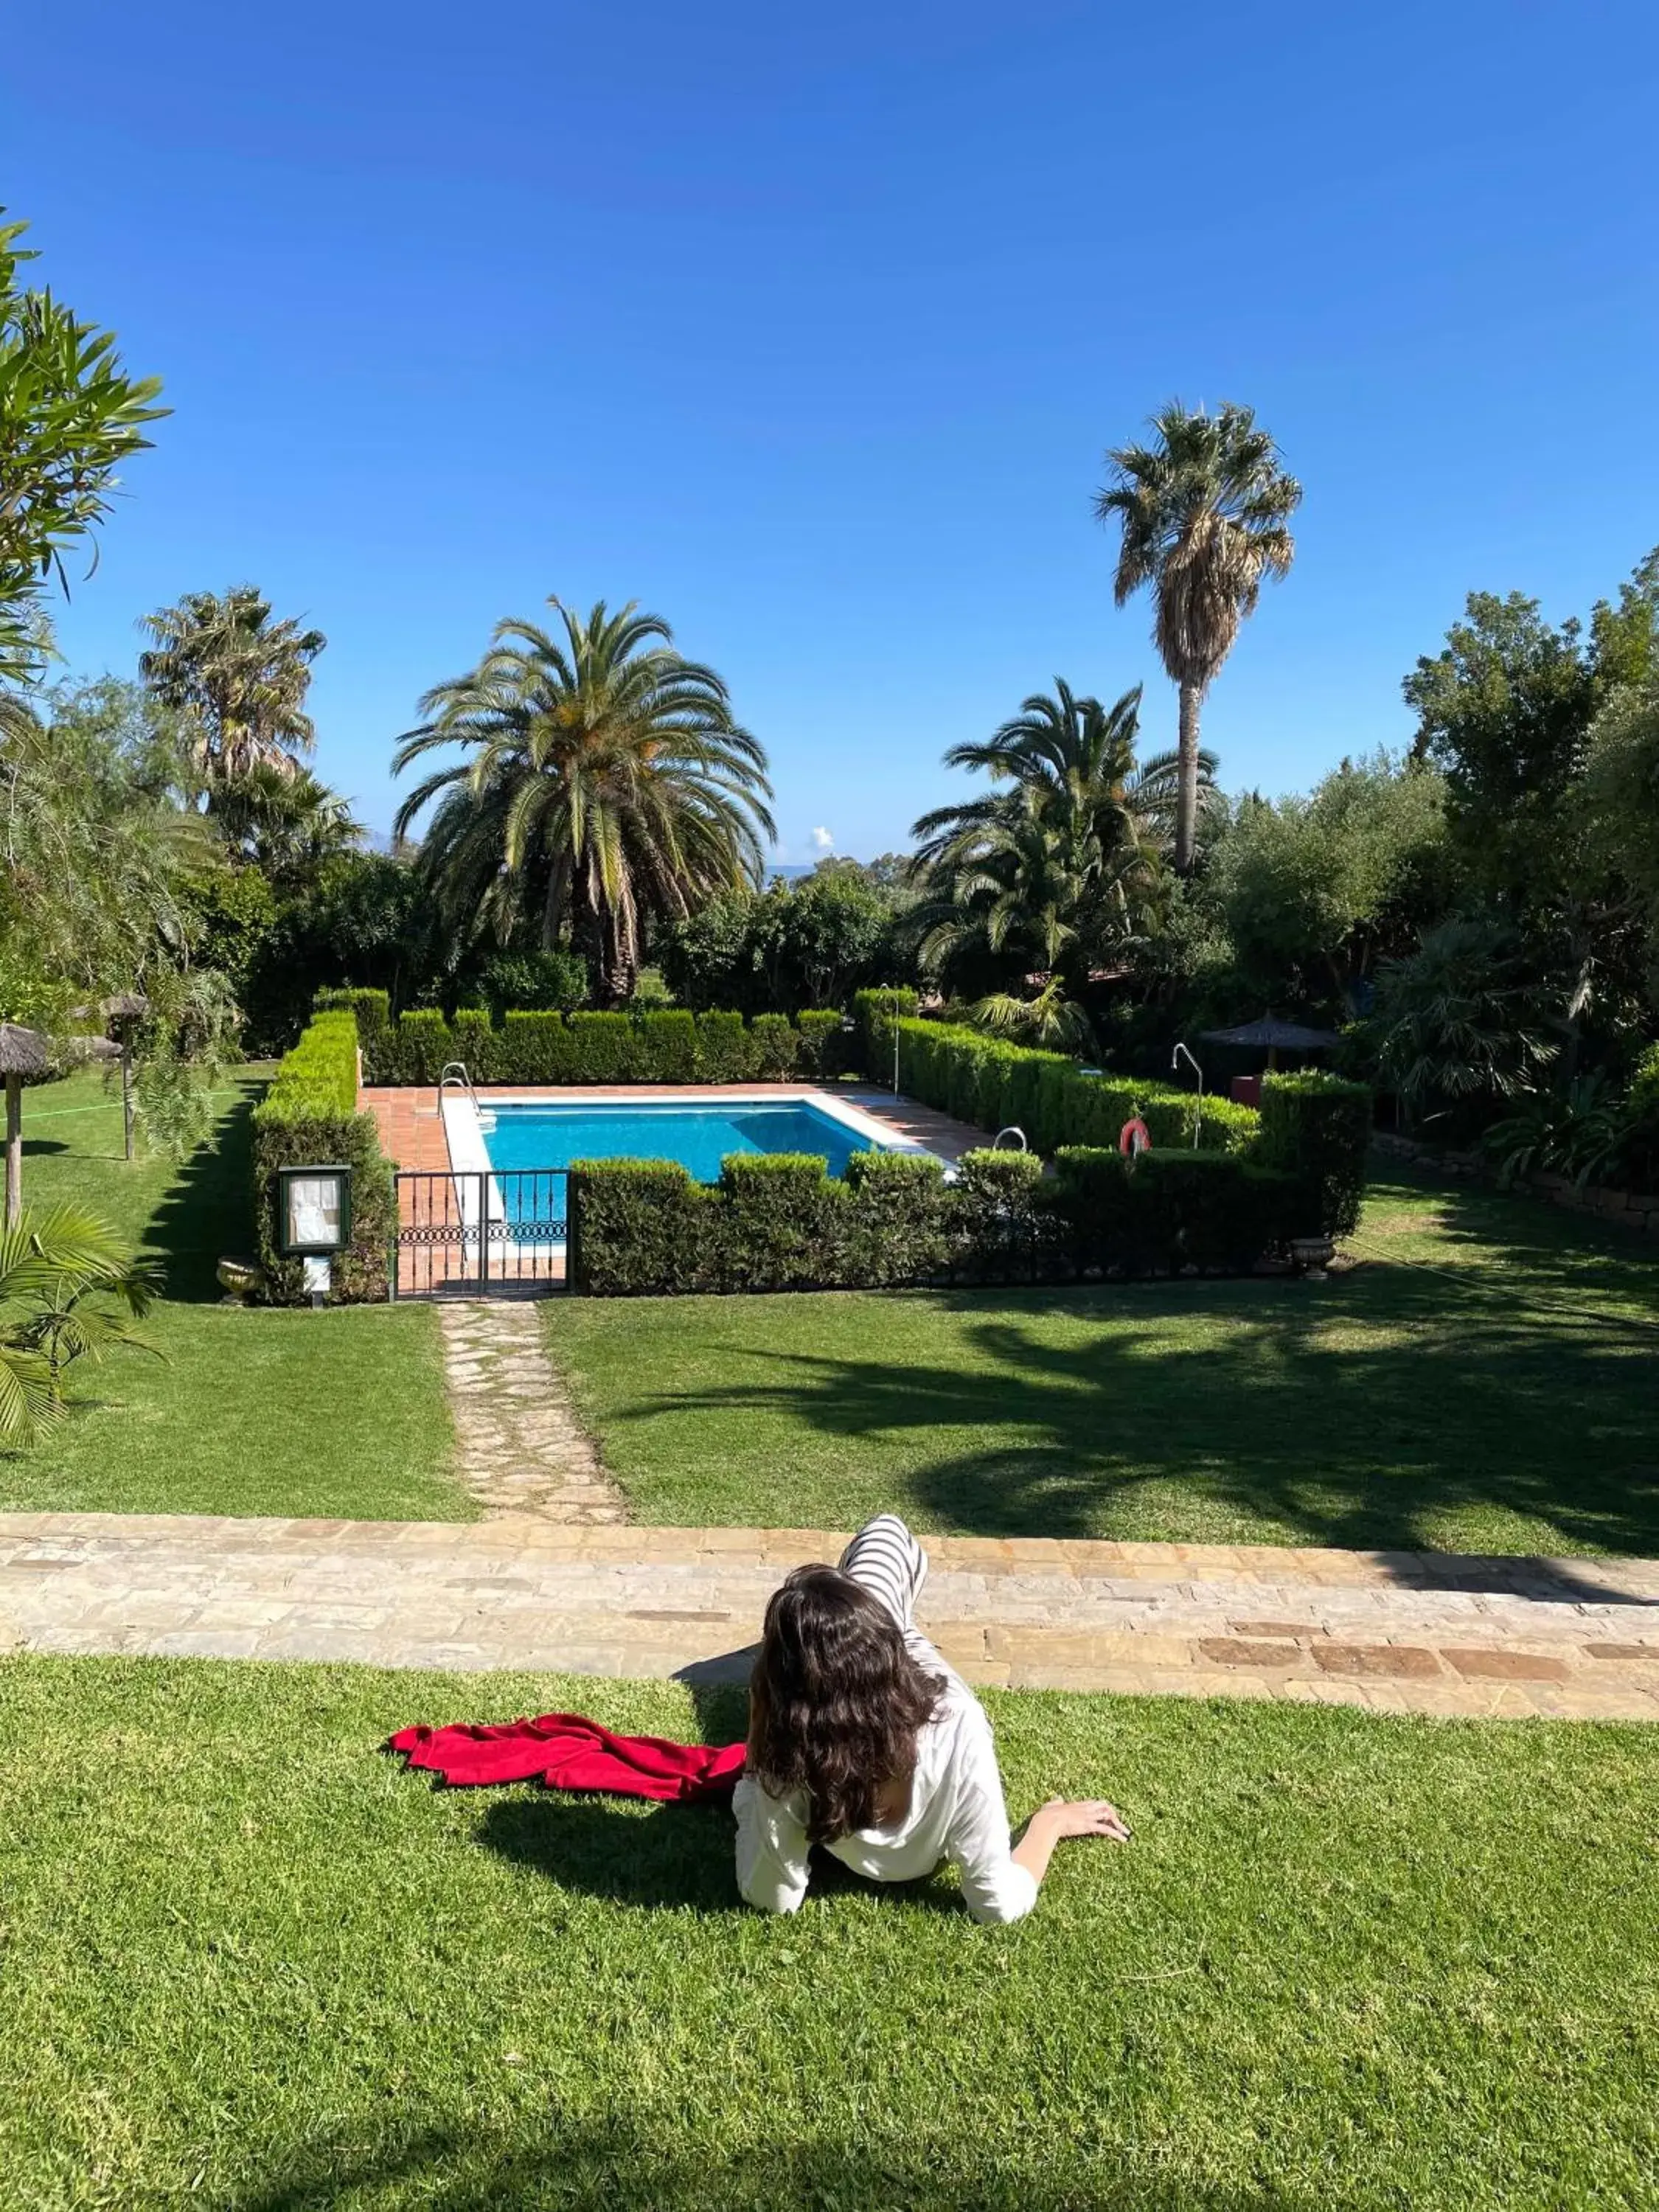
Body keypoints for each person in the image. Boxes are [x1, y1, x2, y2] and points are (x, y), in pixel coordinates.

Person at [734, 1514, 1129, 1924]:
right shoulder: (793, 1748)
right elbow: (771, 1900)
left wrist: (757, 1744)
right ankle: (852, 1617)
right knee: (866, 1599)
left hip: (904, 1656)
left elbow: (768, 1892)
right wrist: (1049, 1823)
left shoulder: (956, 1725)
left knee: (885, 1530)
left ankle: (856, 1615)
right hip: (883, 1654)